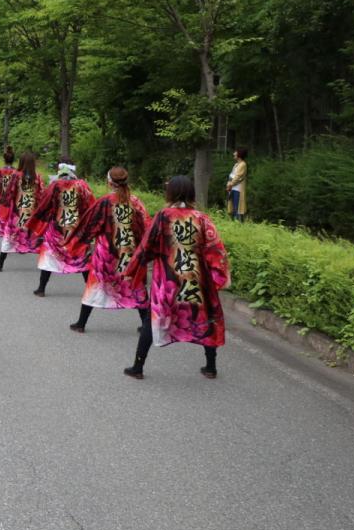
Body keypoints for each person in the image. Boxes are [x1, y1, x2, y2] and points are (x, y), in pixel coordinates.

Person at [123, 176, 229, 380]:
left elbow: (147, 246)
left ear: (170, 193)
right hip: (197, 281)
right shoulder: (202, 218)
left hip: (168, 281)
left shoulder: (164, 216)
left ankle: (138, 367)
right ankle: (211, 367)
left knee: (152, 320)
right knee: (206, 319)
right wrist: (218, 278)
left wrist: (132, 270)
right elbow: (216, 250)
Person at [62, 166, 149, 334]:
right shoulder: (136, 202)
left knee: (95, 286)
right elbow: (146, 227)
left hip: (107, 255)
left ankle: (81, 323)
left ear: (109, 182)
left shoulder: (105, 201)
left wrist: (76, 243)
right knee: (135, 286)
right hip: (129, 254)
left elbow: (90, 225)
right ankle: (146, 324)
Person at [26, 158, 94, 297]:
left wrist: (34, 223)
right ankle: (91, 291)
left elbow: (44, 204)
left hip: (56, 229)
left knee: (49, 257)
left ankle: (41, 288)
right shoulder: (82, 185)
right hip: (76, 230)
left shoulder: (55, 185)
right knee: (82, 259)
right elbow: (90, 206)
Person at [0, 152, 43, 272]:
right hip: (31, 214)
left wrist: (3, 210)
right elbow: (41, 195)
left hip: (16, 214)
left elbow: (9, 194)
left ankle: (0, 264)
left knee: (8, 238)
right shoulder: (38, 177)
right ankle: (42, 266)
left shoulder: (17, 175)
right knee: (34, 238)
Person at [226, 147, 248, 222]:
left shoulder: (243, 164)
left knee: (237, 207)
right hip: (232, 188)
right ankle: (233, 222)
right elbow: (231, 175)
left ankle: (238, 223)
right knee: (232, 207)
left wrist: (230, 184)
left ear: (240, 154)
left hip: (238, 189)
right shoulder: (236, 165)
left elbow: (238, 177)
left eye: (235, 152)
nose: (234, 153)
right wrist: (229, 183)